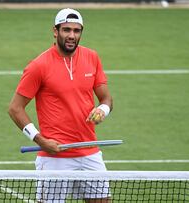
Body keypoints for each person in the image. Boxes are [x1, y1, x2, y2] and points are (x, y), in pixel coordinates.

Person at [8, 8, 113, 203]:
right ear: (55, 31)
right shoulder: (38, 66)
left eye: (76, 30)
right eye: (66, 30)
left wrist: (102, 110)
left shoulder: (92, 57)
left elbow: (106, 99)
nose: (71, 35)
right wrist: (40, 140)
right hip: (54, 159)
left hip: (89, 152)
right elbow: (15, 108)